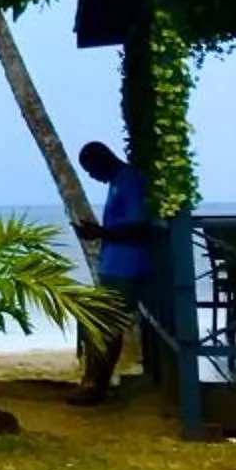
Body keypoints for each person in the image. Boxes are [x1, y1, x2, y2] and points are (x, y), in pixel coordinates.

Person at [72, 141, 150, 404]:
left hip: (125, 267)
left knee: (106, 326)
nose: (93, 177)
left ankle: (95, 386)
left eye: (91, 170)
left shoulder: (128, 182)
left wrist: (101, 233)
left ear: (101, 160)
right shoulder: (118, 181)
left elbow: (139, 227)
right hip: (114, 265)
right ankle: (97, 383)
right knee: (104, 325)